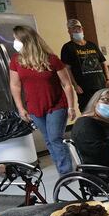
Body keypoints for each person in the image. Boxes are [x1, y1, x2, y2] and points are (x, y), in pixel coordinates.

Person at [9, 25, 75, 175]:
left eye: (16, 39)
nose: (14, 42)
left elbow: (67, 84)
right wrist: (20, 108)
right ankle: (62, 168)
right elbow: (15, 85)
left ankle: (66, 174)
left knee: (55, 139)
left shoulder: (52, 59)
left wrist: (71, 107)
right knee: (48, 140)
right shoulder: (16, 61)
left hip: (57, 105)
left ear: (26, 40)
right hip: (34, 107)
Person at [60, 19, 109, 112]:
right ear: (69, 31)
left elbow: (103, 63)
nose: (76, 31)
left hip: (100, 84)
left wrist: (107, 79)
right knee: (87, 110)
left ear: (82, 29)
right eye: (73, 29)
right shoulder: (68, 47)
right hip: (84, 88)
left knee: (103, 109)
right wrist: (75, 85)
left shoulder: (92, 45)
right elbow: (67, 69)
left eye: (78, 28)